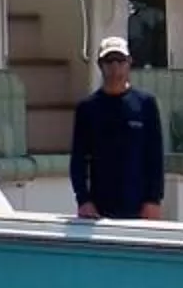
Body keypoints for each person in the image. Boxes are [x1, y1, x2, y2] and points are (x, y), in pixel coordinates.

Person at [69, 34, 164, 222]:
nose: (115, 67)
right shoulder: (87, 108)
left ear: (129, 62)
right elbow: (78, 159)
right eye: (109, 61)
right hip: (99, 207)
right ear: (100, 65)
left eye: (120, 61)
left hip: (139, 206)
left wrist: (154, 199)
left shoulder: (146, 104)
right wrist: (83, 199)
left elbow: (155, 156)